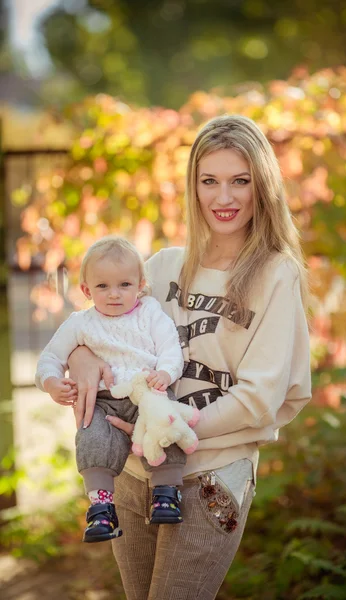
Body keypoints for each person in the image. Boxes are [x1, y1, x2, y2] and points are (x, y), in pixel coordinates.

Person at [68, 114, 312, 599]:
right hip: (133, 475)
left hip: (209, 477)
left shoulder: (276, 275)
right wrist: (79, 357)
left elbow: (259, 398)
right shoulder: (160, 267)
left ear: (261, 186)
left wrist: (169, 424)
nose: (224, 198)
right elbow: (96, 328)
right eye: (210, 181)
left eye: (240, 181)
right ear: (193, 187)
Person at [36, 236, 200, 543]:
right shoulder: (80, 323)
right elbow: (49, 358)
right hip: (103, 400)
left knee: (165, 424)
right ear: (86, 290)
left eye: (124, 285)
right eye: (102, 287)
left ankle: (166, 493)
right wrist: (51, 383)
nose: (114, 295)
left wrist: (165, 373)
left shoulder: (150, 313)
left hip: (147, 391)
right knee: (92, 435)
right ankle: (102, 507)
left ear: (140, 283)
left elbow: (170, 348)